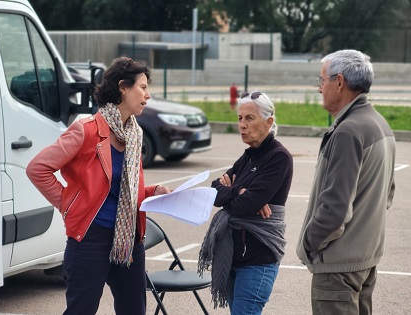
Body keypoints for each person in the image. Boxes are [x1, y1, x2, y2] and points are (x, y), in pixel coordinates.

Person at [26, 56, 171, 315]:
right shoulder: (86, 130)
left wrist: (153, 191)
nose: (148, 95)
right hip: (91, 238)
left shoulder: (134, 134)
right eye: (143, 87)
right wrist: (70, 204)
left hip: (128, 241)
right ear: (123, 87)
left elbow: (123, 190)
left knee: (134, 311)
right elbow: (38, 169)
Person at [295, 49, 396, 315]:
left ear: (339, 82)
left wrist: (308, 243)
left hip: (338, 269)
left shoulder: (348, 131)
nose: (320, 89)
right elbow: (388, 194)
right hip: (365, 260)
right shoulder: (379, 124)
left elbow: (334, 210)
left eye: (322, 80)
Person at [198, 91, 293, 315]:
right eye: (240, 118)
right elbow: (215, 189)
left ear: (269, 122)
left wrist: (234, 192)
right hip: (234, 256)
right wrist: (238, 190)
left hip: (258, 260)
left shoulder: (278, 157)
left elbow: (246, 205)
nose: (242, 125)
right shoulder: (249, 156)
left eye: (249, 118)